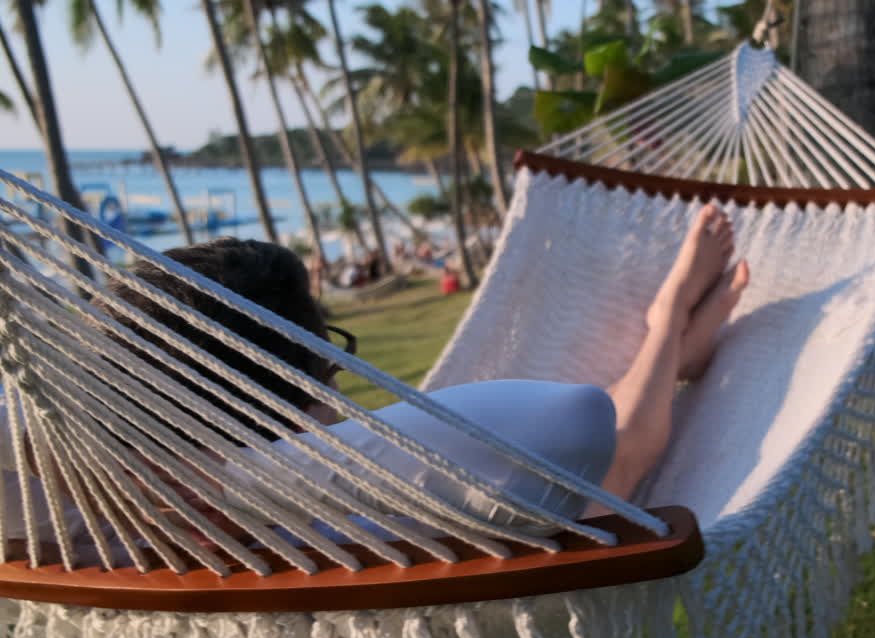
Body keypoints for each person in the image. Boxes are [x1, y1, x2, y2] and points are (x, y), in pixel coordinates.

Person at [3, 205, 750, 546]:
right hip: (536, 506)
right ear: (304, 372)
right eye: (328, 354)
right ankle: (665, 328)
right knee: (621, 439)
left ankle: (668, 354)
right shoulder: (334, 481)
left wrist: (138, 460)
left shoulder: (99, 511)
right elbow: (595, 431)